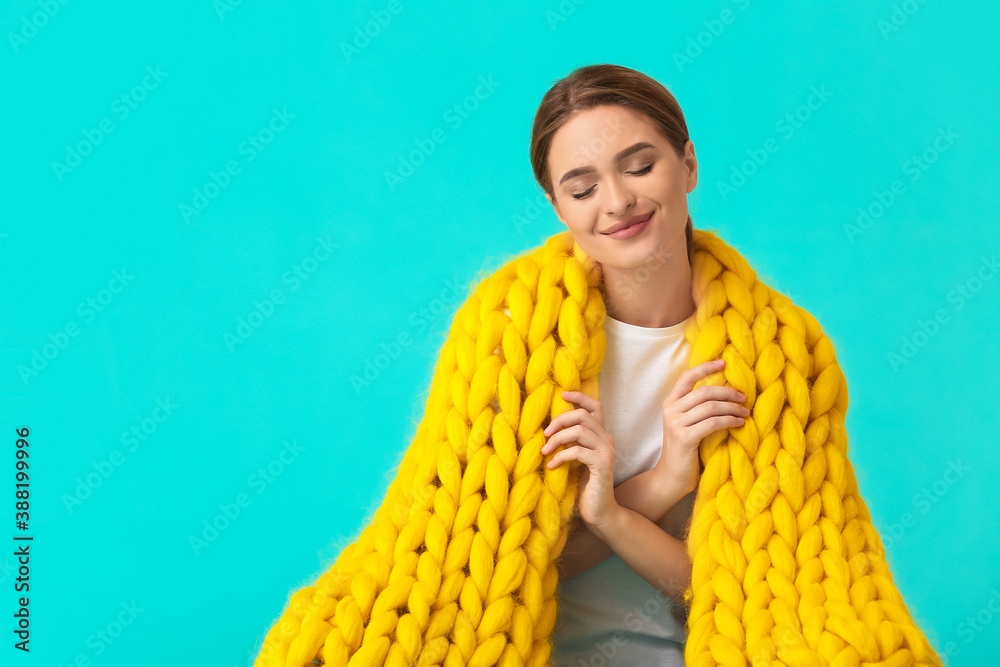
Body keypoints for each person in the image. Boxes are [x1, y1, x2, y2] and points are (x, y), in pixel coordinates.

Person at [527, 63, 749, 664]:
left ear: (689, 165)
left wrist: (613, 512)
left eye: (640, 166)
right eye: (582, 189)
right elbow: (505, 571)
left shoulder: (771, 356)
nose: (618, 201)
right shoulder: (511, 347)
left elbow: (749, 593)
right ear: (557, 208)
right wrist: (661, 484)